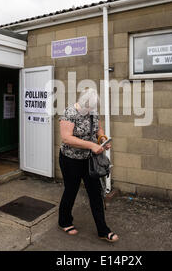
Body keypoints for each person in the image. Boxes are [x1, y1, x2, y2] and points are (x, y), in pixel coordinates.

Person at [58, 88, 119, 243]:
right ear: (83, 102)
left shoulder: (93, 112)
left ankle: (102, 230)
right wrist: (91, 146)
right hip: (70, 159)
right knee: (71, 190)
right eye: (89, 107)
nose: (91, 110)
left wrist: (103, 139)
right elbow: (66, 138)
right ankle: (64, 221)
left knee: (95, 193)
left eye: (93, 107)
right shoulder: (69, 113)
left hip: (89, 160)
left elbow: (98, 129)